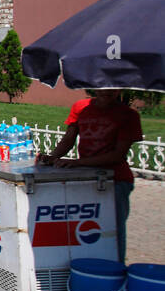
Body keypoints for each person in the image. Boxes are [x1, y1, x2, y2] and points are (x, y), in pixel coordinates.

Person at [37, 89, 143, 263]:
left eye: (113, 87)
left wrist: (78, 162)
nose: (107, 91)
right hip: (85, 178)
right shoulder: (81, 107)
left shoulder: (128, 115)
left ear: (120, 89)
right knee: (84, 227)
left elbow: (118, 154)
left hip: (115, 180)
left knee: (112, 231)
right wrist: (53, 157)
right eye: (103, 86)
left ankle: (115, 272)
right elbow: (69, 138)